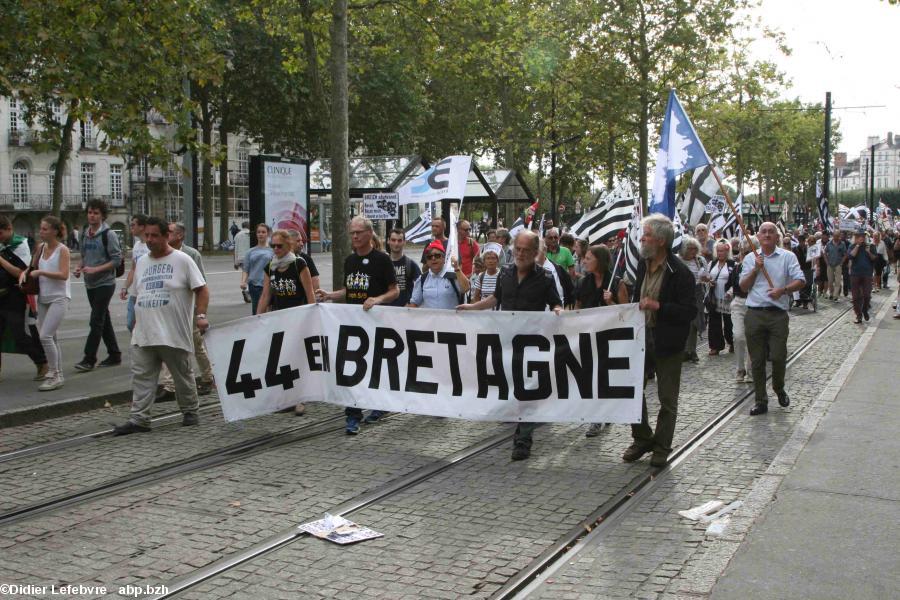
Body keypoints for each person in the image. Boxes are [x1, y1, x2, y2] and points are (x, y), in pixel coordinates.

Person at [458, 229, 562, 461]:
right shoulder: (505, 273)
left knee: (527, 390)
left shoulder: (545, 278)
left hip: (531, 344)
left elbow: (556, 303)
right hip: (506, 343)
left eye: (526, 250)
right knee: (514, 386)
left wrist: (558, 311)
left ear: (536, 253)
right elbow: (495, 298)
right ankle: (525, 420)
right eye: (518, 249)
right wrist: (472, 308)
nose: (521, 253)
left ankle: (522, 440)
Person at [113, 217, 208, 435]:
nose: (150, 240)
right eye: (147, 235)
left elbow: (202, 289)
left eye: (155, 235)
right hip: (144, 332)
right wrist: (136, 324)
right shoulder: (143, 262)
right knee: (142, 376)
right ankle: (139, 418)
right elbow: (137, 295)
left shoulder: (183, 260)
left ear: (166, 236)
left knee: (181, 374)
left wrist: (201, 315)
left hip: (172, 332)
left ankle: (190, 410)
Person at [623, 214, 696, 467]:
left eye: (646, 235)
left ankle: (662, 446)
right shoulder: (643, 264)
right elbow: (636, 297)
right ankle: (642, 437)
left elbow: (689, 312)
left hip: (667, 342)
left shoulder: (681, 273)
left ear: (661, 241)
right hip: (641, 338)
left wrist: (659, 306)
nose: (641, 238)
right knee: (631, 390)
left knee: (667, 398)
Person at [315, 216, 398, 433]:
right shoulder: (350, 261)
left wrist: (377, 300)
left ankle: (379, 404)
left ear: (369, 234)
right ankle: (353, 415)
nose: (355, 236)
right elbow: (349, 291)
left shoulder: (382, 259)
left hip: (375, 323)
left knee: (374, 366)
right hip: (353, 324)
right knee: (351, 368)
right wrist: (330, 295)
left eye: (359, 232)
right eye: (352, 233)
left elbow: (394, 290)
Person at [740, 221, 806, 416]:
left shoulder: (788, 257)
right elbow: (743, 287)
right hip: (754, 313)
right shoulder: (751, 258)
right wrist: (755, 269)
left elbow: (801, 280)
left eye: (771, 232)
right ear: (758, 236)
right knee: (757, 360)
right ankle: (761, 400)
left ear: (777, 236)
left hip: (777, 314)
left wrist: (783, 290)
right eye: (764, 232)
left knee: (778, 356)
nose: (767, 235)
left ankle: (778, 386)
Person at [155, 222, 214, 398]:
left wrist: (200, 312)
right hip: (168, 308)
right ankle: (169, 386)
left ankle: (207, 377)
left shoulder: (191, 254)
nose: (166, 233)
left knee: (196, 345)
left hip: (189, 308)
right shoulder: (160, 253)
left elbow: (201, 284)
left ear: (180, 235)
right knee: (167, 343)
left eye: (170, 231)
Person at [576, 243, 628, 438]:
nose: (584, 261)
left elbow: (626, 314)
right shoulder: (583, 283)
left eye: (589, 258)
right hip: (588, 337)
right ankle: (596, 414)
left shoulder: (616, 283)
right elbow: (577, 310)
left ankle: (601, 414)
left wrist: (611, 302)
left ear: (600, 260)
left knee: (603, 377)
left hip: (610, 339)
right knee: (590, 377)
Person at [18, 216, 71, 391]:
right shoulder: (40, 248)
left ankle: (54, 374)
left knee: (45, 337)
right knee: (52, 338)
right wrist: (24, 274)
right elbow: (31, 267)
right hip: (44, 297)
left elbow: (64, 275)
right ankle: (59, 374)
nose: (41, 232)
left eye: (45, 229)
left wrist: (41, 272)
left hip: (59, 297)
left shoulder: (63, 250)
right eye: (41, 228)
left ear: (55, 231)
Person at [74, 199, 123, 371]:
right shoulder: (84, 233)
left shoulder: (108, 234)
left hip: (105, 283)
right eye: (90, 212)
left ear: (102, 216)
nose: (92, 216)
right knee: (103, 319)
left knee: (96, 320)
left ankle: (89, 359)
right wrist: (79, 267)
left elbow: (116, 260)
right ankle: (114, 354)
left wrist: (96, 269)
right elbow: (83, 256)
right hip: (90, 284)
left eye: (96, 213)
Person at [0, 215, 48, 381]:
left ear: (8, 229)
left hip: (15, 295)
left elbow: (22, 273)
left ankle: (41, 362)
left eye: (0, 234)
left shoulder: (21, 244)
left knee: (19, 334)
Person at [257, 229, 315, 314]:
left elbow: (310, 293)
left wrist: (313, 315)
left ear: (288, 245)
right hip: (278, 316)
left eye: (279, 246)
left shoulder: (299, 264)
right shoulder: (270, 267)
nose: (276, 248)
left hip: (298, 315)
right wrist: (258, 318)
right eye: (273, 246)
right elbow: (265, 296)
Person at [726, 236, 756, 383]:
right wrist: (730, 292)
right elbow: (732, 284)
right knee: (738, 337)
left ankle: (750, 370)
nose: (746, 255)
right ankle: (740, 368)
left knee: (752, 338)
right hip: (738, 303)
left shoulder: (760, 267)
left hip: (754, 304)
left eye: (751, 251)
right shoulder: (737, 267)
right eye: (745, 252)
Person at [408, 239, 469, 309]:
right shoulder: (422, 279)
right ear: (427, 261)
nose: (433, 258)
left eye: (437, 256)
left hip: (452, 319)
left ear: (444, 258)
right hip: (430, 319)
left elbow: (466, 288)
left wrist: (457, 268)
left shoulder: (453, 276)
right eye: (429, 257)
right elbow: (414, 304)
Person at [678, 237, 707, 364]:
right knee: (684, 322)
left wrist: (706, 278)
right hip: (682, 293)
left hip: (697, 292)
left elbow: (706, 276)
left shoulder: (700, 260)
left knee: (695, 322)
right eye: (690, 248)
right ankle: (684, 350)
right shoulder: (679, 260)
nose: (692, 251)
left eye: (695, 248)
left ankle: (692, 350)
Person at [704, 240, 735, 356]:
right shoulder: (712, 264)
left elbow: (735, 281)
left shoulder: (733, 264)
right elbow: (706, 278)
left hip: (727, 298)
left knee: (729, 322)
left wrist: (730, 292)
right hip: (714, 298)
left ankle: (732, 342)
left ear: (727, 251)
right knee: (714, 322)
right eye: (718, 251)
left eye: (722, 251)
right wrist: (709, 283)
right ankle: (715, 346)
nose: (720, 253)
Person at [119, 214, 149, 332]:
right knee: (131, 323)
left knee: (145, 324)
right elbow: (133, 268)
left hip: (147, 292)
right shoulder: (136, 246)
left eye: (133, 225)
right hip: (135, 292)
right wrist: (125, 287)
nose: (131, 227)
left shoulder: (151, 246)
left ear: (142, 227)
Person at [240, 224, 273, 315]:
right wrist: (243, 281)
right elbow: (246, 268)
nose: (261, 234)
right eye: (259, 232)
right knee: (257, 310)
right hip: (254, 286)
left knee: (268, 310)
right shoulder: (250, 251)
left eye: (263, 232)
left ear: (268, 234)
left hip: (268, 285)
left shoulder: (272, 251)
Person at [386, 228, 421, 307]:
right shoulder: (382, 264)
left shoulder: (411, 264)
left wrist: (411, 303)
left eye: (399, 240)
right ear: (388, 241)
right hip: (384, 310)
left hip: (405, 311)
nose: (396, 243)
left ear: (404, 242)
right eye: (393, 240)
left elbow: (420, 287)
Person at [847, 230, 877, 324]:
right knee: (855, 297)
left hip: (867, 274)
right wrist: (857, 246)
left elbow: (874, 258)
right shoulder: (852, 246)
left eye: (863, 236)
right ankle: (858, 315)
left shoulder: (871, 246)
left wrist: (868, 252)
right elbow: (851, 256)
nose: (861, 238)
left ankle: (864, 309)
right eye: (859, 237)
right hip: (855, 274)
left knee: (867, 295)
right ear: (856, 238)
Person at [823, 230, 847, 301]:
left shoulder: (842, 244)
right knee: (830, 281)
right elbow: (824, 252)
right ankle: (831, 293)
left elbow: (845, 254)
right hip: (830, 264)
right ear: (833, 236)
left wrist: (842, 263)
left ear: (839, 236)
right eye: (834, 236)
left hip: (838, 265)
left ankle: (835, 295)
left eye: (837, 236)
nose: (836, 237)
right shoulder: (829, 243)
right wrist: (826, 262)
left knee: (837, 281)